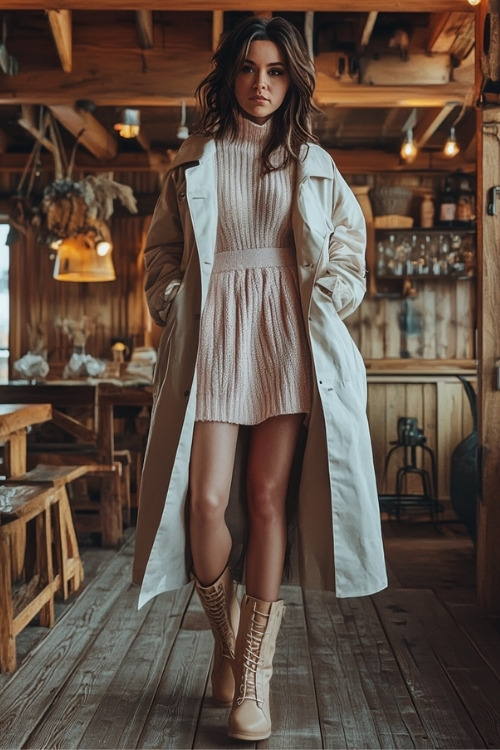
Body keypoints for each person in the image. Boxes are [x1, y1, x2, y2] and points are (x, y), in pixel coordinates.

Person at [133, 15, 387, 742]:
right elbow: (161, 253)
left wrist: (327, 295)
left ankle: (252, 677)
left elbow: (347, 247)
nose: (262, 83)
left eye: (276, 71)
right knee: (205, 503)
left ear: (292, 80)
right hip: (214, 342)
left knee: (266, 500)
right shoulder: (194, 160)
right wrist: (180, 305)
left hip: (285, 339)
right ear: (230, 75)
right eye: (249, 68)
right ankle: (224, 639)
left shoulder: (316, 162)